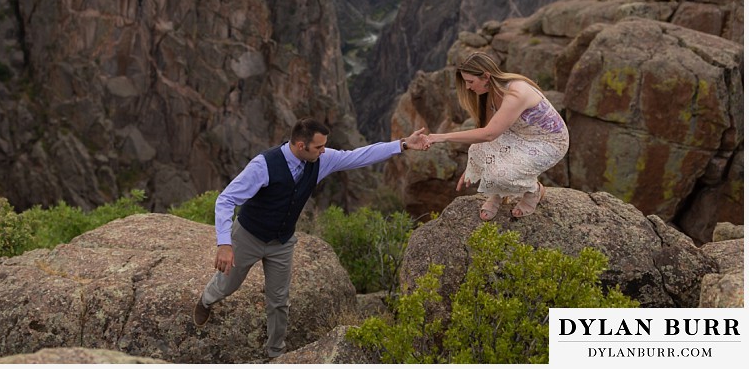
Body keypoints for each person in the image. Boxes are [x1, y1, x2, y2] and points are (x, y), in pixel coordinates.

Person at [192, 117, 430, 358]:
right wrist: (224, 243)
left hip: (282, 243)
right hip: (248, 236)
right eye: (318, 147)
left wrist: (403, 145)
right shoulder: (263, 165)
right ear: (300, 145)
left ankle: (275, 352)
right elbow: (226, 200)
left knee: (279, 300)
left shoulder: (320, 160)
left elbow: (358, 155)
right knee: (228, 284)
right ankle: (206, 300)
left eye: (324, 145)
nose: (324, 150)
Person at [425, 52, 569, 221]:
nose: (468, 87)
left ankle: (533, 190)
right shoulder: (490, 93)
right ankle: (499, 193)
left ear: (486, 76)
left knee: (500, 174)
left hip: (550, 142)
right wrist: (475, 164)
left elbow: (489, 134)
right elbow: (485, 134)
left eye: (470, 82)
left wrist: (441, 137)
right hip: (520, 135)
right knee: (477, 150)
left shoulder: (516, 92)